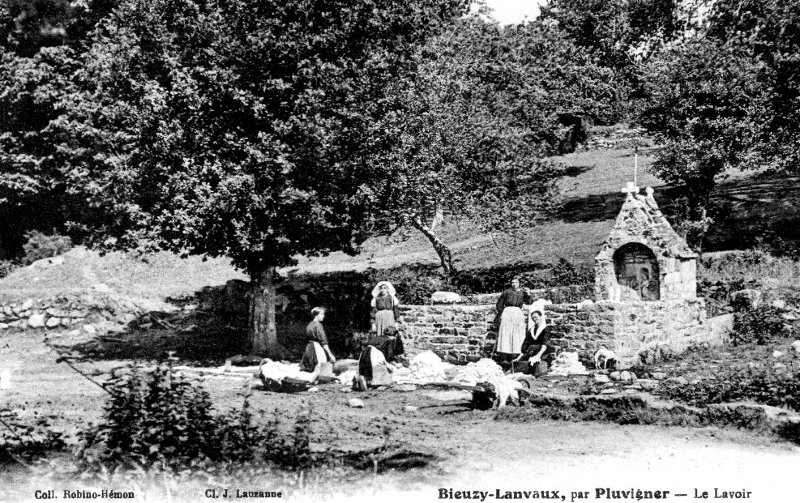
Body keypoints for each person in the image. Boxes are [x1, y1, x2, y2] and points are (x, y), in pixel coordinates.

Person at [493, 277, 531, 361]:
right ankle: (504, 357)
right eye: (512, 282)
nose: (514, 284)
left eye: (516, 282)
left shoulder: (522, 292)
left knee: (518, 333)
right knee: (506, 333)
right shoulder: (507, 292)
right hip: (507, 312)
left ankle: (516, 356)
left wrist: (528, 294)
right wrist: (503, 313)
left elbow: (529, 302)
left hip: (517, 313)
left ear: (519, 283)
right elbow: (499, 304)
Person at [514, 306, 553, 376]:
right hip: (532, 351)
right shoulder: (531, 330)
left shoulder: (545, 329)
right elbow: (525, 346)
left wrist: (538, 355)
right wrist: (518, 358)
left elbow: (545, 344)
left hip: (542, 352)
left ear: (541, 317)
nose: (534, 319)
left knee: (534, 350)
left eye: (536, 317)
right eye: (533, 318)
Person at [299, 307, 336, 373]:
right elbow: (323, 341)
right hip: (316, 348)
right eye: (321, 314)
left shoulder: (309, 324)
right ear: (316, 315)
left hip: (309, 348)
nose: (323, 316)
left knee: (310, 368)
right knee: (321, 368)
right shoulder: (318, 325)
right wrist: (330, 354)